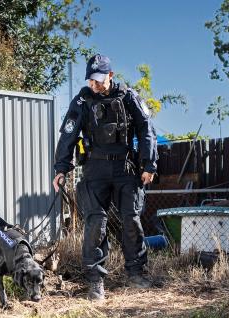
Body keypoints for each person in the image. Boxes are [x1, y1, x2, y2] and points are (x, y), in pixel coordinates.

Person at [52, 54, 158, 300]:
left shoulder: (128, 96)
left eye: (98, 80)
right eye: (91, 80)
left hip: (125, 167)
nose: (94, 84)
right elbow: (68, 135)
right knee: (95, 223)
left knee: (131, 220)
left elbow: (146, 130)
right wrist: (61, 169)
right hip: (94, 169)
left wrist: (149, 164)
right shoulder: (82, 100)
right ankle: (96, 281)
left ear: (110, 76)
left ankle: (136, 273)